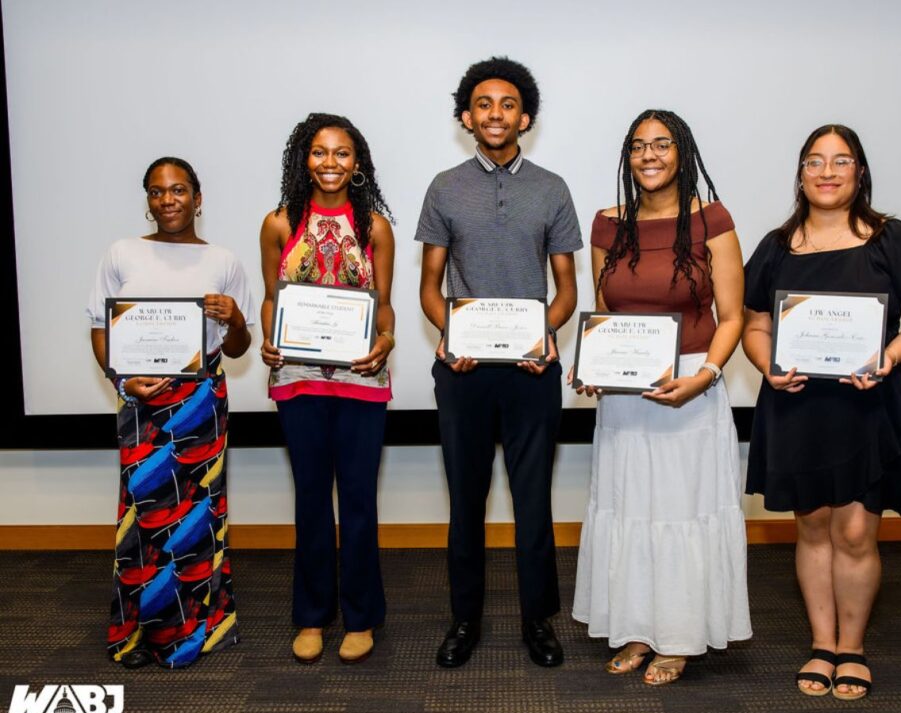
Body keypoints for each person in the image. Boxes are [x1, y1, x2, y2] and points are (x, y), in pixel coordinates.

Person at [742, 124, 901, 700]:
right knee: (812, 526)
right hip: (796, 404)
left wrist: (889, 356)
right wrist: (766, 365)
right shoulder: (777, 246)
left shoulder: (890, 239)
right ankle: (822, 644)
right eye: (815, 161)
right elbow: (755, 326)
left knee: (856, 531)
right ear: (801, 174)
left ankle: (852, 648)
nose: (827, 172)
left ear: (859, 172)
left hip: (868, 405)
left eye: (840, 161)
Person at [571, 110, 752, 686]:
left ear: (683, 153)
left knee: (680, 513)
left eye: (662, 144)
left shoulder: (712, 220)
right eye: (638, 146)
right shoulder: (607, 224)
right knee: (631, 511)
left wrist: (709, 375)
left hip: (691, 389)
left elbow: (732, 316)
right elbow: (605, 311)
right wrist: (592, 364)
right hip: (625, 397)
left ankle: (679, 635)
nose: (649, 155)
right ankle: (638, 628)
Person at [416, 57, 582, 669]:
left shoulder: (552, 188)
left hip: (531, 371)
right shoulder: (444, 187)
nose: (495, 113)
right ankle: (465, 619)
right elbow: (430, 286)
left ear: (525, 118)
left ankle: (538, 619)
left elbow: (566, 290)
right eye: (483, 104)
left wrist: (544, 334)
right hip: (463, 370)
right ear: (466, 116)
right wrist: (449, 334)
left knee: (532, 500)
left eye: (508, 104)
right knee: (466, 500)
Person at [88, 157, 255, 669]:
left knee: (199, 514)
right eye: (157, 191)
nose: (168, 200)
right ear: (148, 200)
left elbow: (238, 348)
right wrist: (121, 380)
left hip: (200, 402)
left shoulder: (223, 260)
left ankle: (195, 630)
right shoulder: (122, 252)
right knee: (144, 513)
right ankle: (136, 634)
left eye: (178, 190)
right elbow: (100, 328)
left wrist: (235, 318)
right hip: (140, 400)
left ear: (197, 198)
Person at [259, 113, 395, 665]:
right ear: (304, 159)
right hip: (299, 379)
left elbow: (384, 306)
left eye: (342, 153)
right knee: (312, 499)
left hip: (363, 379)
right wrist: (270, 338)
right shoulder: (279, 222)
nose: (330, 163)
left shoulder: (375, 227)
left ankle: (361, 618)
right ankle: (312, 615)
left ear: (357, 162)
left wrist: (386, 339)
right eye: (319, 152)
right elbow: (273, 297)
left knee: (358, 502)